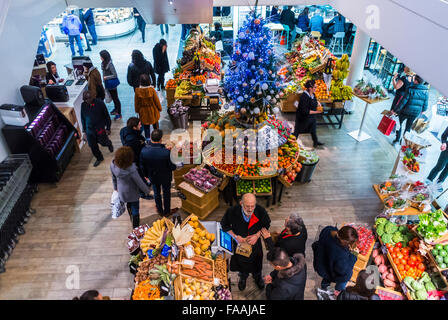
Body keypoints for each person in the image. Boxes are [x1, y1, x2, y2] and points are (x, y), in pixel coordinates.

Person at [220, 193, 271, 291]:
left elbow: (266, 225)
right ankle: (243, 277)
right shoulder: (232, 211)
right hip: (239, 245)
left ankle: (257, 277)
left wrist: (256, 235)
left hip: (255, 245)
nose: (250, 209)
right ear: (241, 203)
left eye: (253, 206)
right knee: (241, 264)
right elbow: (224, 225)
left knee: (257, 263)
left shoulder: (260, 211)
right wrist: (235, 236)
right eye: (247, 206)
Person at [139, 129, 178, 216]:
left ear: (151, 138)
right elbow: (172, 167)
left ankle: (160, 210)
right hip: (165, 176)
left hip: (152, 176)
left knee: (156, 193)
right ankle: (167, 211)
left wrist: (146, 175)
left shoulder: (144, 151)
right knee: (166, 193)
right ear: (161, 139)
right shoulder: (166, 152)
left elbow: (142, 166)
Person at [111, 146, 150, 228]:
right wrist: (146, 191)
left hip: (121, 191)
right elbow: (139, 182)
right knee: (135, 207)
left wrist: (115, 188)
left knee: (128, 204)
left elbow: (113, 177)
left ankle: (131, 216)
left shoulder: (113, 165)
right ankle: (135, 226)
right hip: (132, 192)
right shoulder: (132, 169)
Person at [312, 225, 358, 295]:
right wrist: (354, 255)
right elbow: (342, 271)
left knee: (326, 276)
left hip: (322, 263)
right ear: (344, 241)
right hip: (331, 269)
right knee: (344, 279)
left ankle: (324, 286)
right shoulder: (341, 253)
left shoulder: (328, 229)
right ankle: (338, 291)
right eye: (349, 243)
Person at [392, 75, 429, 143]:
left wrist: (395, 110)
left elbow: (403, 102)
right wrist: (423, 110)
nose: (413, 80)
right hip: (415, 113)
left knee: (399, 124)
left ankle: (397, 138)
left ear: (416, 81)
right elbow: (425, 104)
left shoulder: (410, 89)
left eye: (414, 79)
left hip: (405, 111)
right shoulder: (426, 91)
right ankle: (403, 141)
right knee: (408, 128)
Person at [81, 91, 113, 167]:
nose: (87, 100)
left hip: (100, 129)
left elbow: (106, 116)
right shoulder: (83, 105)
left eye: (89, 98)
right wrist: (84, 131)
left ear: (92, 97)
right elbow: (83, 118)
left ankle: (109, 144)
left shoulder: (100, 103)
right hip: (90, 131)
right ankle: (99, 158)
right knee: (93, 146)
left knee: (103, 142)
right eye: (85, 99)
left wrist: (108, 128)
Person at [294, 80, 324, 147]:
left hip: (311, 117)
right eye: (315, 87)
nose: (316, 89)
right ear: (310, 88)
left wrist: (318, 103)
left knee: (313, 130)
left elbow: (315, 100)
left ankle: (315, 142)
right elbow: (305, 111)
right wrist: (317, 112)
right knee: (297, 132)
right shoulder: (304, 97)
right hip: (302, 118)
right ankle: (291, 143)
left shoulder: (312, 94)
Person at [135, 74, 162, 139]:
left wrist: (137, 110)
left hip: (143, 111)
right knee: (155, 124)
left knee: (146, 126)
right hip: (153, 110)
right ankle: (157, 137)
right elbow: (156, 101)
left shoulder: (137, 91)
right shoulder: (151, 90)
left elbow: (136, 102)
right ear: (149, 81)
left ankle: (148, 139)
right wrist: (159, 108)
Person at [100, 50, 122, 120]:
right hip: (108, 84)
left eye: (101, 56)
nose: (100, 57)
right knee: (113, 98)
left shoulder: (110, 64)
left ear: (104, 57)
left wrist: (106, 77)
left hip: (112, 85)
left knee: (116, 99)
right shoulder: (103, 63)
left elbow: (115, 75)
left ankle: (119, 113)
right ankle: (116, 109)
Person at [427, 127, 448, 192]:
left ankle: (438, 183)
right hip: (446, 150)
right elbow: (444, 135)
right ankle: (429, 180)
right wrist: (444, 143)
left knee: (447, 170)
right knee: (439, 167)